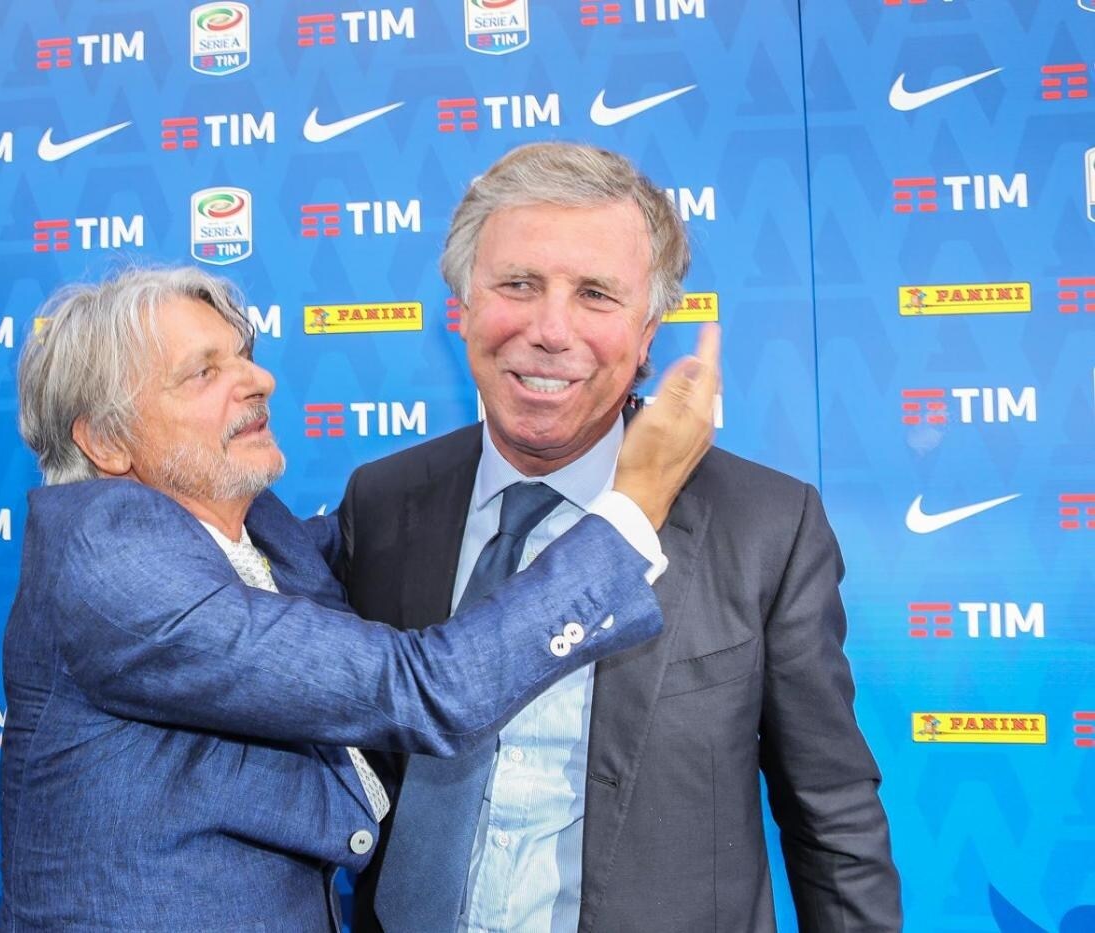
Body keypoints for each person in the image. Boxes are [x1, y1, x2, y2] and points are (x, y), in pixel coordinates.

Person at [0, 265, 720, 931]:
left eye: (243, 355)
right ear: (107, 441)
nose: (258, 380)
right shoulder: (111, 558)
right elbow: (428, 688)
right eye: (203, 372)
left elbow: (365, 537)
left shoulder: (255, 525)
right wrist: (632, 508)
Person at [341, 143, 902, 932]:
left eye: (596, 294)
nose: (550, 329)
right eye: (518, 284)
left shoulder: (766, 525)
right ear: (460, 310)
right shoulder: (381, 503)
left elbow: (832, 818)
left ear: (647, 337)